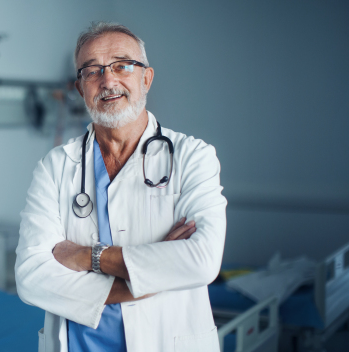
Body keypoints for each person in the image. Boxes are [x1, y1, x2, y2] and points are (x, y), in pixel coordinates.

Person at [15, 22, 227, 352]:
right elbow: (31, 278)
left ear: (146, 78)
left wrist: (87, 257)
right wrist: (147, 280)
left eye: (122, 65)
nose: (108, 80)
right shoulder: (56, 166)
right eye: (92, 71)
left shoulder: (192, 156)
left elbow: (201, 261)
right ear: (80, 87)